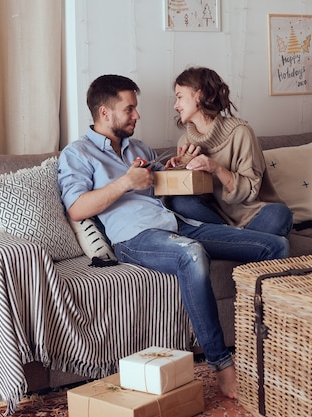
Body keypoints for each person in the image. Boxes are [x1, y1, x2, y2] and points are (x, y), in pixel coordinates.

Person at [57, 74, 290, 399]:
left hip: (176, 224)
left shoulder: (138, 147)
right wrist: (125, 182)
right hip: (135, 238)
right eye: (130, 109)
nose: (137, 115)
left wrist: (176, 166)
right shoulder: (78, 154)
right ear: (105, 113)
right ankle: (221, 364)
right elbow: (77, 208)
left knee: (276, 245)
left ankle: (275, 344)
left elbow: (167, 190)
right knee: (192, 253)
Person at [165, 66, 293, 238]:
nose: (176, 105)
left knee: (280, 214)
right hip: (215, 218)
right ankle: (244, 242)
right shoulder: (185, 142)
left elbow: (250, 191)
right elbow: (198, 201)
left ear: (201, 95)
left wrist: (216, 168)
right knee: (180, 202)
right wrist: (180, 171)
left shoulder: (241, 132)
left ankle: (231, 241)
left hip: (254, 215)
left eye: (179, 97)